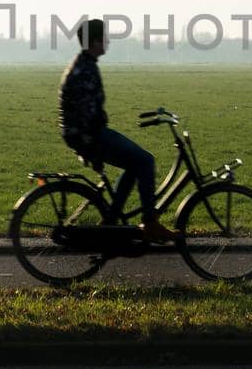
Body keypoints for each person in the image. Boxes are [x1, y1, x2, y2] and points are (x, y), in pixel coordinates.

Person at [58, 18, 178, 242]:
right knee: (145, 161)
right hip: (88, 135)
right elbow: (88, 113)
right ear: (94, 42)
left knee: (134, 163)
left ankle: (111, 222)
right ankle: (150, 223)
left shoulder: (84, 64)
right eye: (104, 38)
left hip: (83, 133)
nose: (108, 42)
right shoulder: (85, 69)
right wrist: (93, 147)